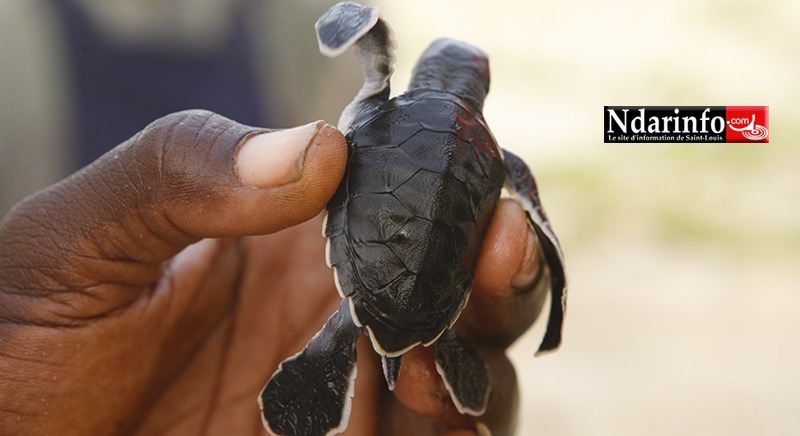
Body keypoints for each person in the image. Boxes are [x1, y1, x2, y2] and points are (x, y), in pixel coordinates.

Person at [0, 110, 551, 435]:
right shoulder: (497, 153)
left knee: (405, 334)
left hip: (336, 268)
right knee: (503, 258)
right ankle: (440, 345)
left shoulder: (376, 102)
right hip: (430, 292)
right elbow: (530, 214)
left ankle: (355, 340)